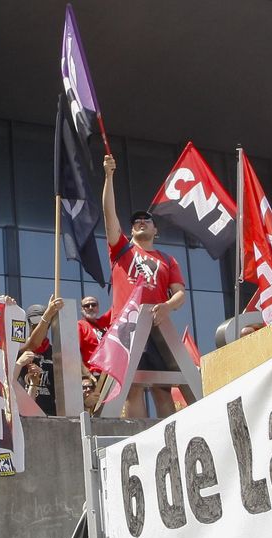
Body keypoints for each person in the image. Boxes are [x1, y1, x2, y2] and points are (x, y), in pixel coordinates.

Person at [102, 154, 187, 418]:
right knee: (132, 387)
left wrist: (167, 306)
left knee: (163, 388)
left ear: (155, 230)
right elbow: (109, 214)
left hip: (157, 326)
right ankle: (137, 437)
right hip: (127, 325)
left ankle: (171, 433)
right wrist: (109, 176)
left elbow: (180, 294)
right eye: (136, 221)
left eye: (146, 220)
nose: (140, 222)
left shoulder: (167, 259)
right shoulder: (121, 250)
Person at [16, 296, 64, 416]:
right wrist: (47, 315)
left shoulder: (56, 353)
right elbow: (33, 343)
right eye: (33, 323)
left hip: (50, 414)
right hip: (24, 413)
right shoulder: (19, 349)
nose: (36, 327)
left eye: (42, 323)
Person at [77, 295, 110, 374]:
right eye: (87, 306)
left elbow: (119, 305)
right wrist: (87, 374)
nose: (90, 307)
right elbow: (74, 352)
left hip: (110, 372)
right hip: (94, 374)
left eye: (93, 305)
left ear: (98, 307)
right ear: (82, 309)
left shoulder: (104, 322)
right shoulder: (80, 325)